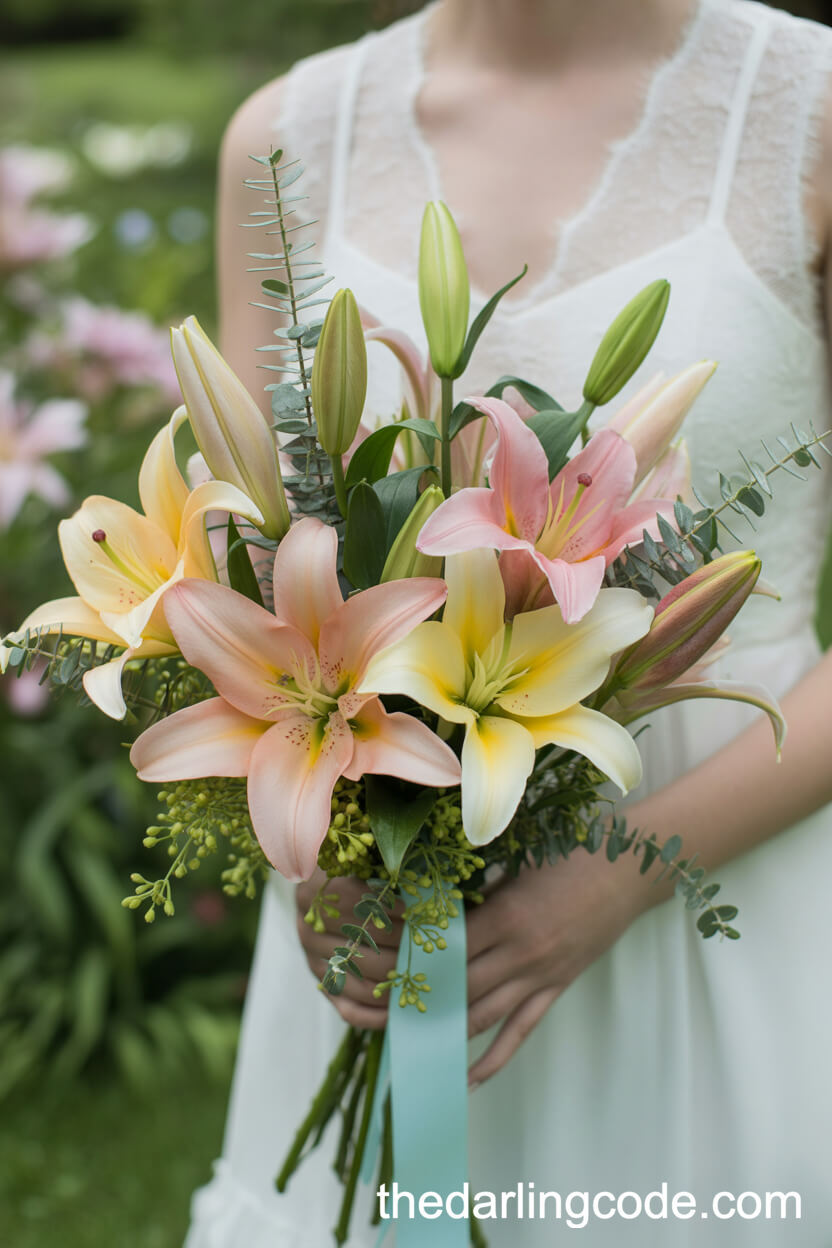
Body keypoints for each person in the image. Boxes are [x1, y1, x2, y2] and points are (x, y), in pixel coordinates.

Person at [185, 1, 832, 1243]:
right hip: (372, 895)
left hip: (715, 872)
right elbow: (249, 559)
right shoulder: (284, 136)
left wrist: (619, 879)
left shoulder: (808, 109)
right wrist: (319, 854)